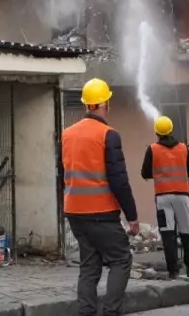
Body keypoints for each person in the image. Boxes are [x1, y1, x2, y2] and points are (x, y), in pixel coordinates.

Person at [60, 78, 139, 316]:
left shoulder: (67, 134)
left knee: (89, 265)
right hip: (101, 213)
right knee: (121, 259)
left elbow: (60, 173)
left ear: (86, 104)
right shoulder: (108, 135)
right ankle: (111, 312)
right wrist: (132, 216)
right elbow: (119, 181)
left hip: (75, 212)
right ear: (105, 103)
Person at [140, 115, 189, 279]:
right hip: (182, 196)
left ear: (157, 132)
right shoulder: (184, 148)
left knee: (167, 233)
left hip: (163, 197)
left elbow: (145, 173)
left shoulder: (152, 149)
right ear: (171, 130)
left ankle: (173, 271)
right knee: (186, 232)